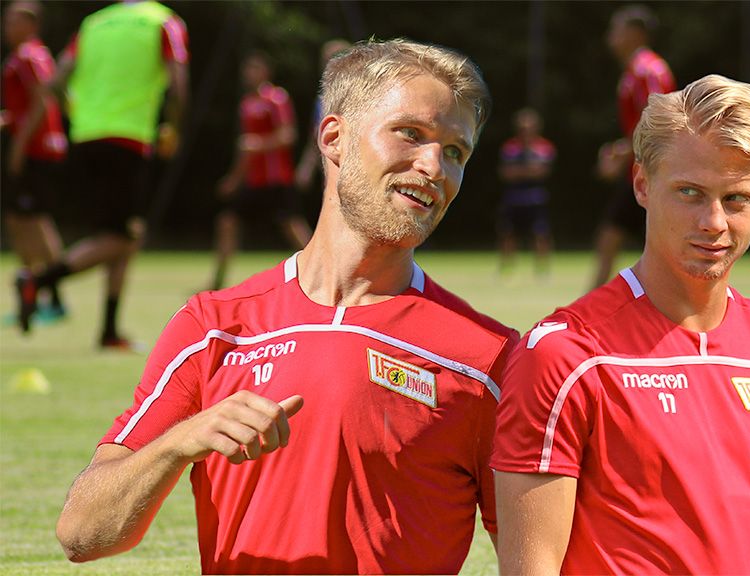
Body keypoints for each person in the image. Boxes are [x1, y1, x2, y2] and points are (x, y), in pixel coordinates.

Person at [56, 39, 518, 575]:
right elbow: (81, 535)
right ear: (335, 137)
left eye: (456, 152)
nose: (434, 166)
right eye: (410, 134)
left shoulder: (490, 359)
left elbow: (545, 557)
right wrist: (180, 442)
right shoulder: (213, 328)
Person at [493, 75, 750, 575]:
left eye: (736, 199)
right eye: (689, 192)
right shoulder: (566, 356)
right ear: (642, 184)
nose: (713, 221)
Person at [13, 0, 189, 348]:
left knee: (124, 232)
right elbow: (179, 83)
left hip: (85, 136)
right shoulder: (161, 20)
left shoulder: (94, 23)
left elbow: (55, 80)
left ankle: (109, 330)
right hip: (128, 138)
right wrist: (173, 126)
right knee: (122, 238)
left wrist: (77, 109)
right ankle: (40, 281)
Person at [590, 3, 675, 289]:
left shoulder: (646, 70)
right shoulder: (637, 70)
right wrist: (622, 150)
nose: (610, 37)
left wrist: (620, 156)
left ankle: (588, 312)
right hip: (644, 170)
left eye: (617, 30)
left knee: (612, 239)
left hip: (652, 171)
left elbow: (657, 119)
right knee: (613, 238)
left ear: (636, 33)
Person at [211, 51, 312, 290]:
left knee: (292, 225)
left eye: (254, 68)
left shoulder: (276, 98)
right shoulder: (246, 104)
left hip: (277, 178)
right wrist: (234, 179)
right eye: (247, 68)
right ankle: (217, 281)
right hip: (253, 181)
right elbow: (245, 149)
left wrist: (259, 143)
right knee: (227, 221)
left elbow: (288, 135)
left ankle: (324, 271)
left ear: (266, 71)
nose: (249, 73)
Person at [2, 0, 69, 325]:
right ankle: (36, 293)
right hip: (38, 146)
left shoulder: (27, 55)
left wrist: (19, 143)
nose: (7, 27)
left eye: (14, 21)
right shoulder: (36, 54)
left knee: (36, 221)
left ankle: (54, 299)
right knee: (21, 220)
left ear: (31, 25)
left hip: (35, 150)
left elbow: (43, 100)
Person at [496, 107, 556, 277]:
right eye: (522, 128)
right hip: (513, 199)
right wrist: (528, 171)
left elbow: (542, 172)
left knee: (541, 234)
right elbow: (506, 173)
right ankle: (506, 268)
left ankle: (542, 270)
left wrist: (519, 171)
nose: (526, 131)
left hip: (536, 199)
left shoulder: (544, 147)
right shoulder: (510, 147)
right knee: (507, 233)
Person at [295, 38, 352, 193]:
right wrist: (307, 166)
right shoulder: (322, 98)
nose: (328, 65)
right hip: (329, 168)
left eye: (334, 58)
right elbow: (315, 135)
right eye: (326, 60)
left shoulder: (356, 94)